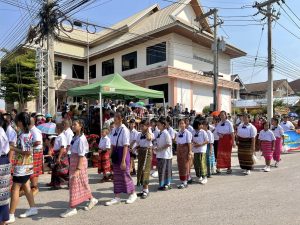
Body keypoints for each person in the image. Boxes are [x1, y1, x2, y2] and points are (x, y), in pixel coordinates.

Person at [60, 119, 98, 218]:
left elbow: (81, 155)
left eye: (75, 124)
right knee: (83, 183)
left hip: (79, 164)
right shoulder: (75, 137)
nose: (73, 126)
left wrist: (77, 169)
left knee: (74, 185)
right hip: (74, 163)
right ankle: (92, 199)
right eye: (72, 124)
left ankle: (72, 208)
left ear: (81, 126)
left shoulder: (81, 138)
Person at [7, 112, 38, 224]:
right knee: (26, 186)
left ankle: (11, 214)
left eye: (17, 120)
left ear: (20, 122)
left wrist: (13, 148)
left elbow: (27, 151)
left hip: (22, 166)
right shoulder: (26, 132)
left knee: (15, 189)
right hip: (26, 166)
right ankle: (33, 207)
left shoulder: (24, 135)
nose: (16, 122)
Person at [105, 112, 137, 206]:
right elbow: (112, 144)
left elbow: (126, 145)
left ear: (120, 119)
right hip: (115, 152)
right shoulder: (114, 129)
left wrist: (123, 160)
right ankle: (117, 197)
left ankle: (133, 193)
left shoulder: (125, 130)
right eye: (114, 118)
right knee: (117, 176)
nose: (114, 120)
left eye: (115, 118)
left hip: (123, 152)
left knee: (125, 174)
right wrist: (110, 156)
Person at [135, 119, 154, 199]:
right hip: (141, 152)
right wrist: (134, 148)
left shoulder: (150, 133)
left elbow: (149, 138)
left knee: (145, 170)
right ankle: (144, 189)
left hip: (147, 152)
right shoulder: (139, 134)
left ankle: (146, 190)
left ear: (147, 126)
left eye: (143, 126)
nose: (141, 127)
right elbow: (138, 143)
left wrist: (148, 129)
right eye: (141, 125)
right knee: (140, 170)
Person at [155, 117, 173, 191]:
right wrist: (156, 147)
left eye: (159, 125)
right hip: (160, 154)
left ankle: (167, 184)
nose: (157, 126)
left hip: (166, 155)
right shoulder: (160, 133)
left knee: (166, 170)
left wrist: (161, 148)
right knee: (161, 170)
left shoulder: (166, 133)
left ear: (163, 125)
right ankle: (162, 184)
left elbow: (169, 143)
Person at [50, 124, 69, 189]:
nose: (55, 129)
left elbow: (62, 147)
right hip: (57, 154)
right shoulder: (58, 136)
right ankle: (56, 184)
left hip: (60, 154)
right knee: (55, 169)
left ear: (58, 129)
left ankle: (70, 181)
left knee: (61, 170)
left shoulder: (62, 136)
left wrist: (59, 157)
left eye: (55, 128)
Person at [175, 119, 192, 189]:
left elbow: (189, 143)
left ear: (185, 124)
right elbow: (177, 143)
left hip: (185, 150)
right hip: (179, 150)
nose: (181, 125)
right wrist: (177, 151)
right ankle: (183, 179)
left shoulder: (188, 133)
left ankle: (185, 182)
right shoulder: (178, 133)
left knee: (185, 165)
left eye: (183, 123)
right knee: (180, 165)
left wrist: (190, 152)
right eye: (180, 123)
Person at [29, 116, 43, 196]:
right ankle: (33, 187)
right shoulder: (32, 130)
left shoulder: (34, 131)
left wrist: (28, 145)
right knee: (33, 170)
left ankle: (34, 187)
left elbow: (38, 142)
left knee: (34, 170)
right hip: (35, 151)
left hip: (36, 151)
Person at [0, 116, 10, 225]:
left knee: (2, 192)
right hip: (4, 160)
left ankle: (2, 219)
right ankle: (3, 219)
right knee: (3, 192)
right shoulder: (3, 130)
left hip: (1, 161)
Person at [192, 119, 209, 184]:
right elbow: (191, 139)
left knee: (202, 163)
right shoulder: (193, 132)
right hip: (195, 150)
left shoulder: (203, 132)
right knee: (196, 164)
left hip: (202, 150)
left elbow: (207, 141)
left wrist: (200, 144)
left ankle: (205, 177)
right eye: (200, 124)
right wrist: (194, 142)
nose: (201, 125)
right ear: (197, 125)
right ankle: (199, 176)